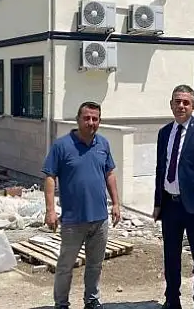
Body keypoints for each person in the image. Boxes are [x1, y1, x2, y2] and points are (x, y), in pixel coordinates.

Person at [43, 101, 122, 309]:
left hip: (99, 219)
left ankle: (92, 300)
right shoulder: (62, 146)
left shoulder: (103, 144)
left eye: (95, 119)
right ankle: (61, 304)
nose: (91, 122)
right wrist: (50, 210)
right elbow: (50, 176)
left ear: (99, 121)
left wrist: (116, 203)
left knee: (95, 265)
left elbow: (110, 173)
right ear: (78, 120)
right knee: (65, 266)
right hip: (73, 220)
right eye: (86, 118)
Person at [153, 85, 194, 309]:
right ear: (171, 104)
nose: (181, 106)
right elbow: (160, 169)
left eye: (185, 102)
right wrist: (158, 203)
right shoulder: (164, 133)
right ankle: (172, 300)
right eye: (177, 102)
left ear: (193, 106)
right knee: (171, 257)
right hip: (170, 206)